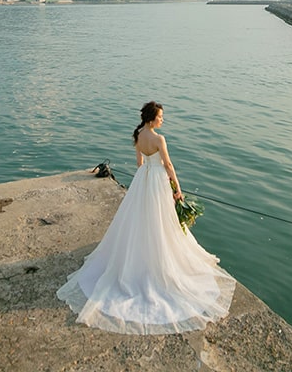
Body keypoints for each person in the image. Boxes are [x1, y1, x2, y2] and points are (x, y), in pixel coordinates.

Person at [56, 101, 236, 334]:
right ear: (152, 118)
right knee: (160, 222)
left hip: (143, 180)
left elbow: (139, 163)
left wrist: (146, 175)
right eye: (160, 116)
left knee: (139, 219)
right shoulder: (159, 139)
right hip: (158, 181)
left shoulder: (139, 133)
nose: (162, 120)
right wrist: (177, 188)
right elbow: (168, 165)